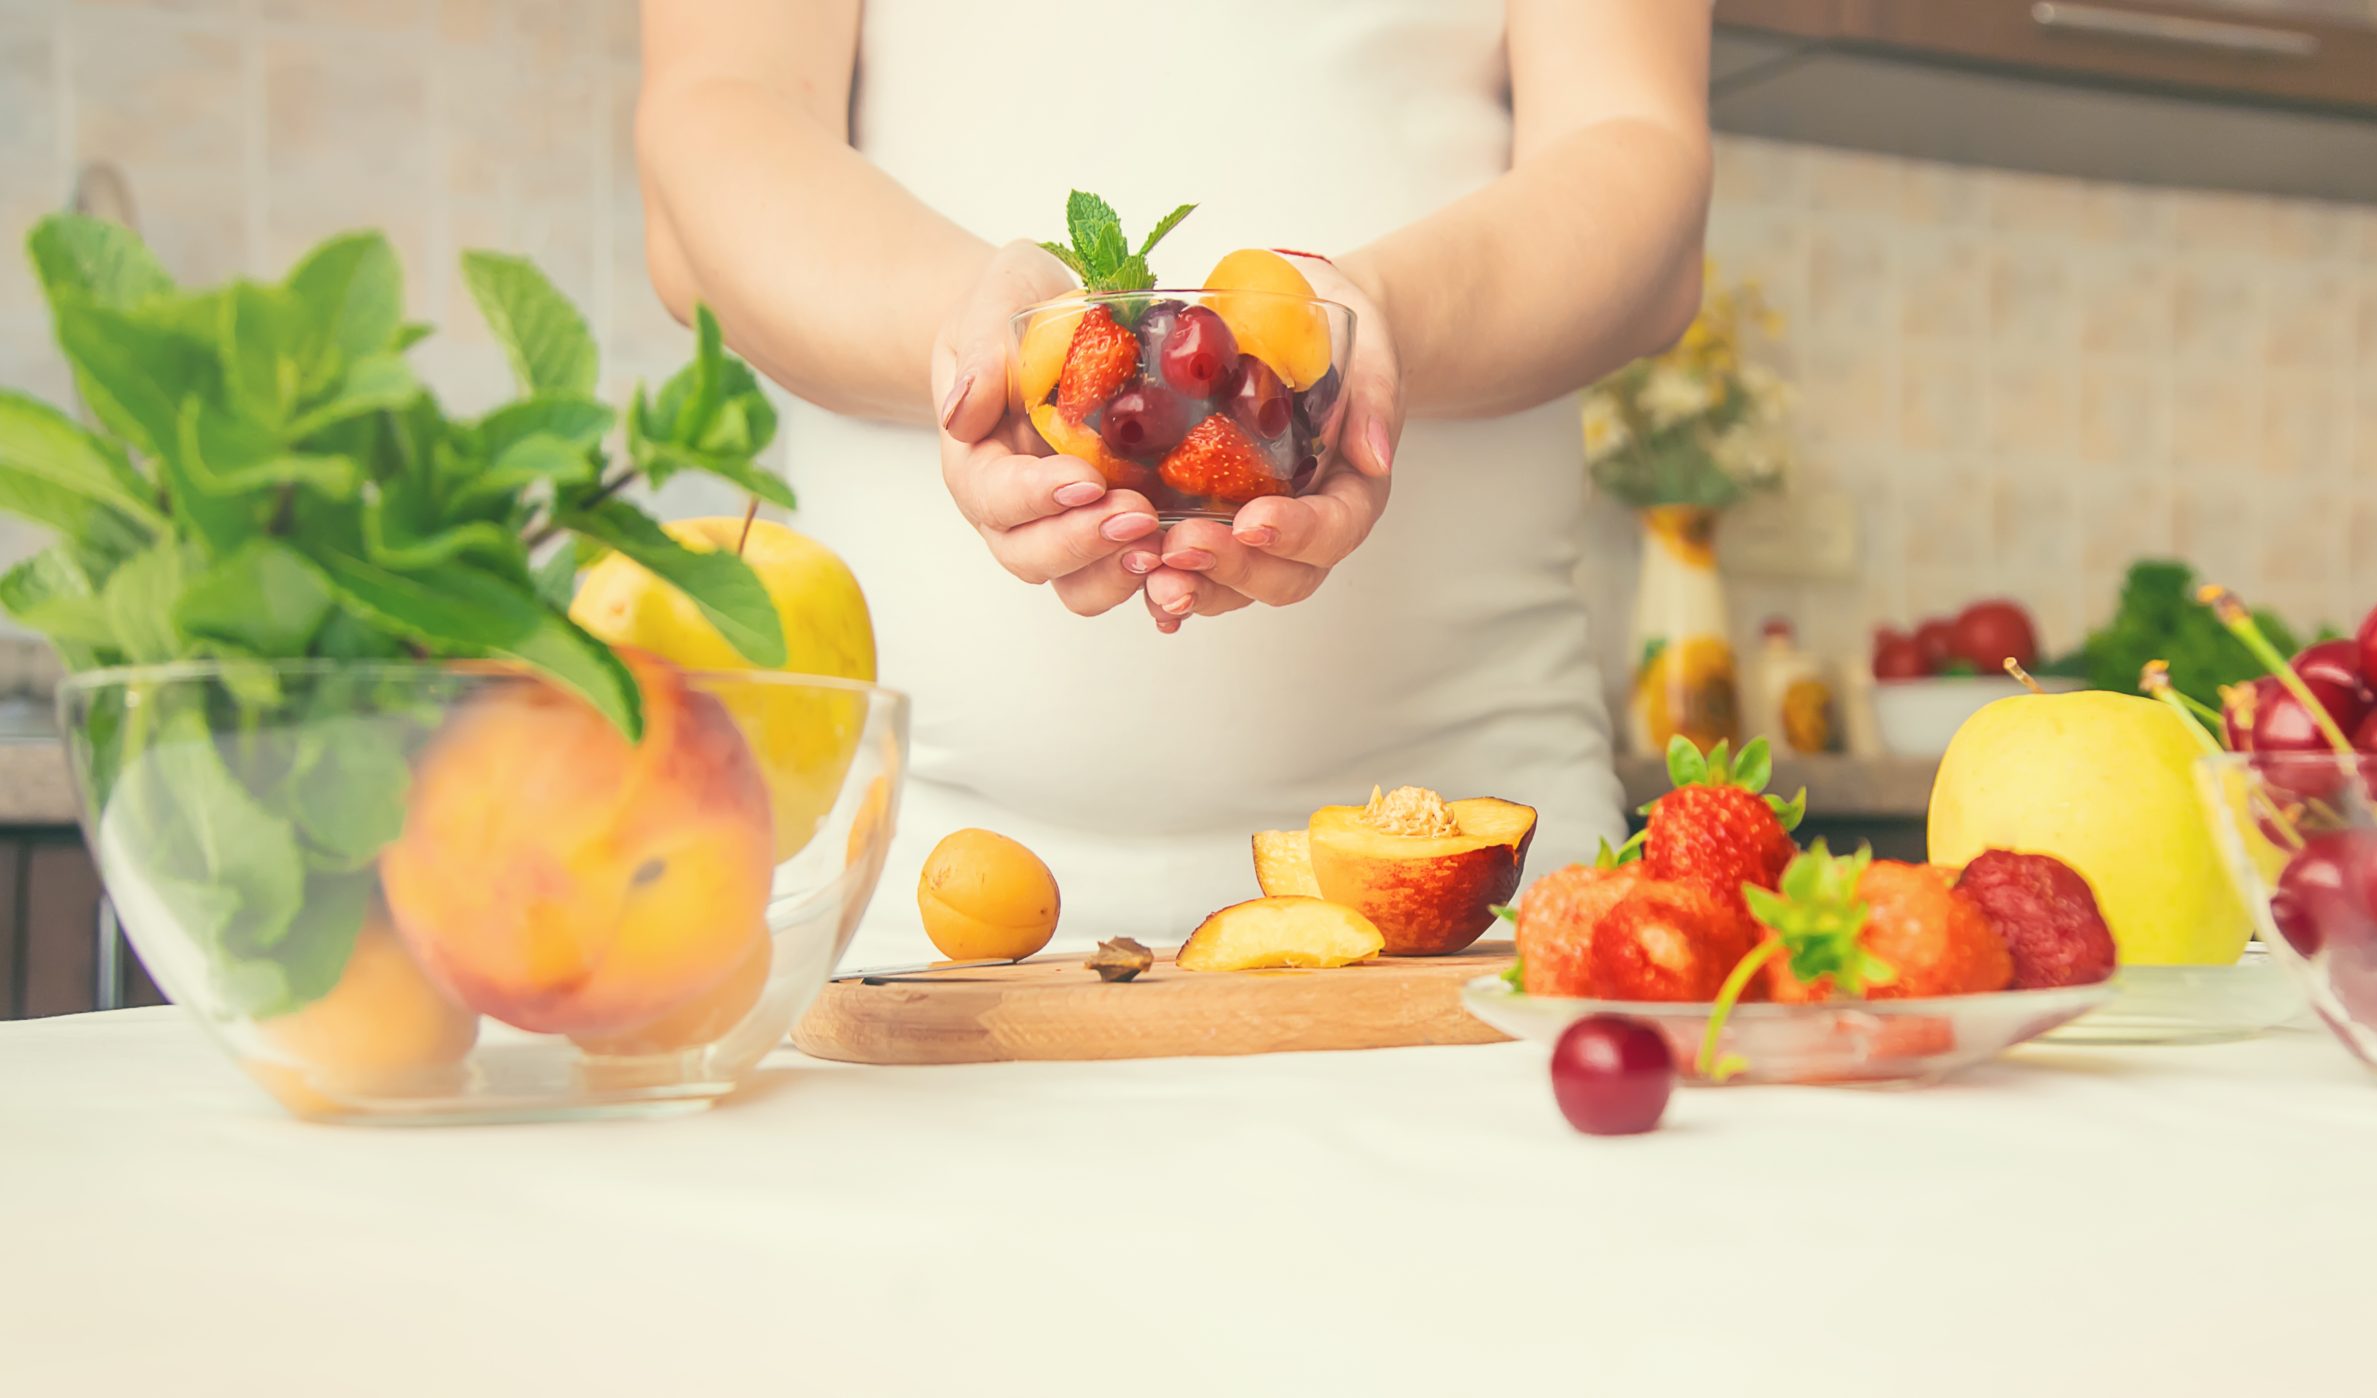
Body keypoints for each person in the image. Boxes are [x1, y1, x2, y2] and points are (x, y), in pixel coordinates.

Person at [634, 0, 1714, 962]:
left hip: (1481, 900)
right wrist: (972, 332)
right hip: (907, 907)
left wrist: (1378, 323)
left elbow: (1642, 167)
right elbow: (709, 129)